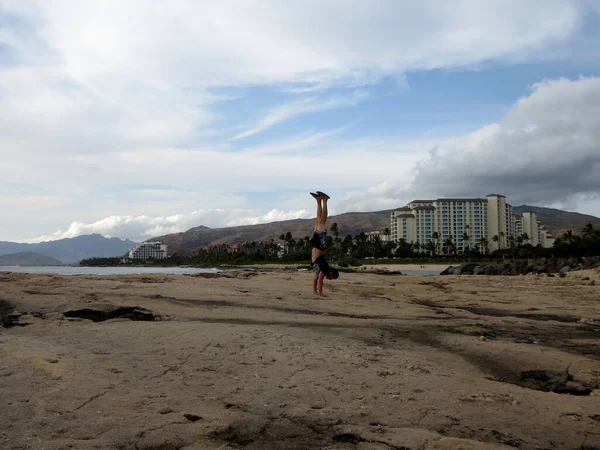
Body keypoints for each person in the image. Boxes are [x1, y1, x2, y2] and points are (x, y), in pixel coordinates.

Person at [309, 191, 339, 296]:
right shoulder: (325, 270)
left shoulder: (321, 270)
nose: (330, 279)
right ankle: (325, 200)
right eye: (332, 278)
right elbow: (320, 281)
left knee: (318, 221)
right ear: (331, 274)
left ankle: (318, 201)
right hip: (320, 245)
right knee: (322, 221)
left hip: (316, 245)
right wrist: (320, 294)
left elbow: (316, 279)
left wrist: (315, 292)